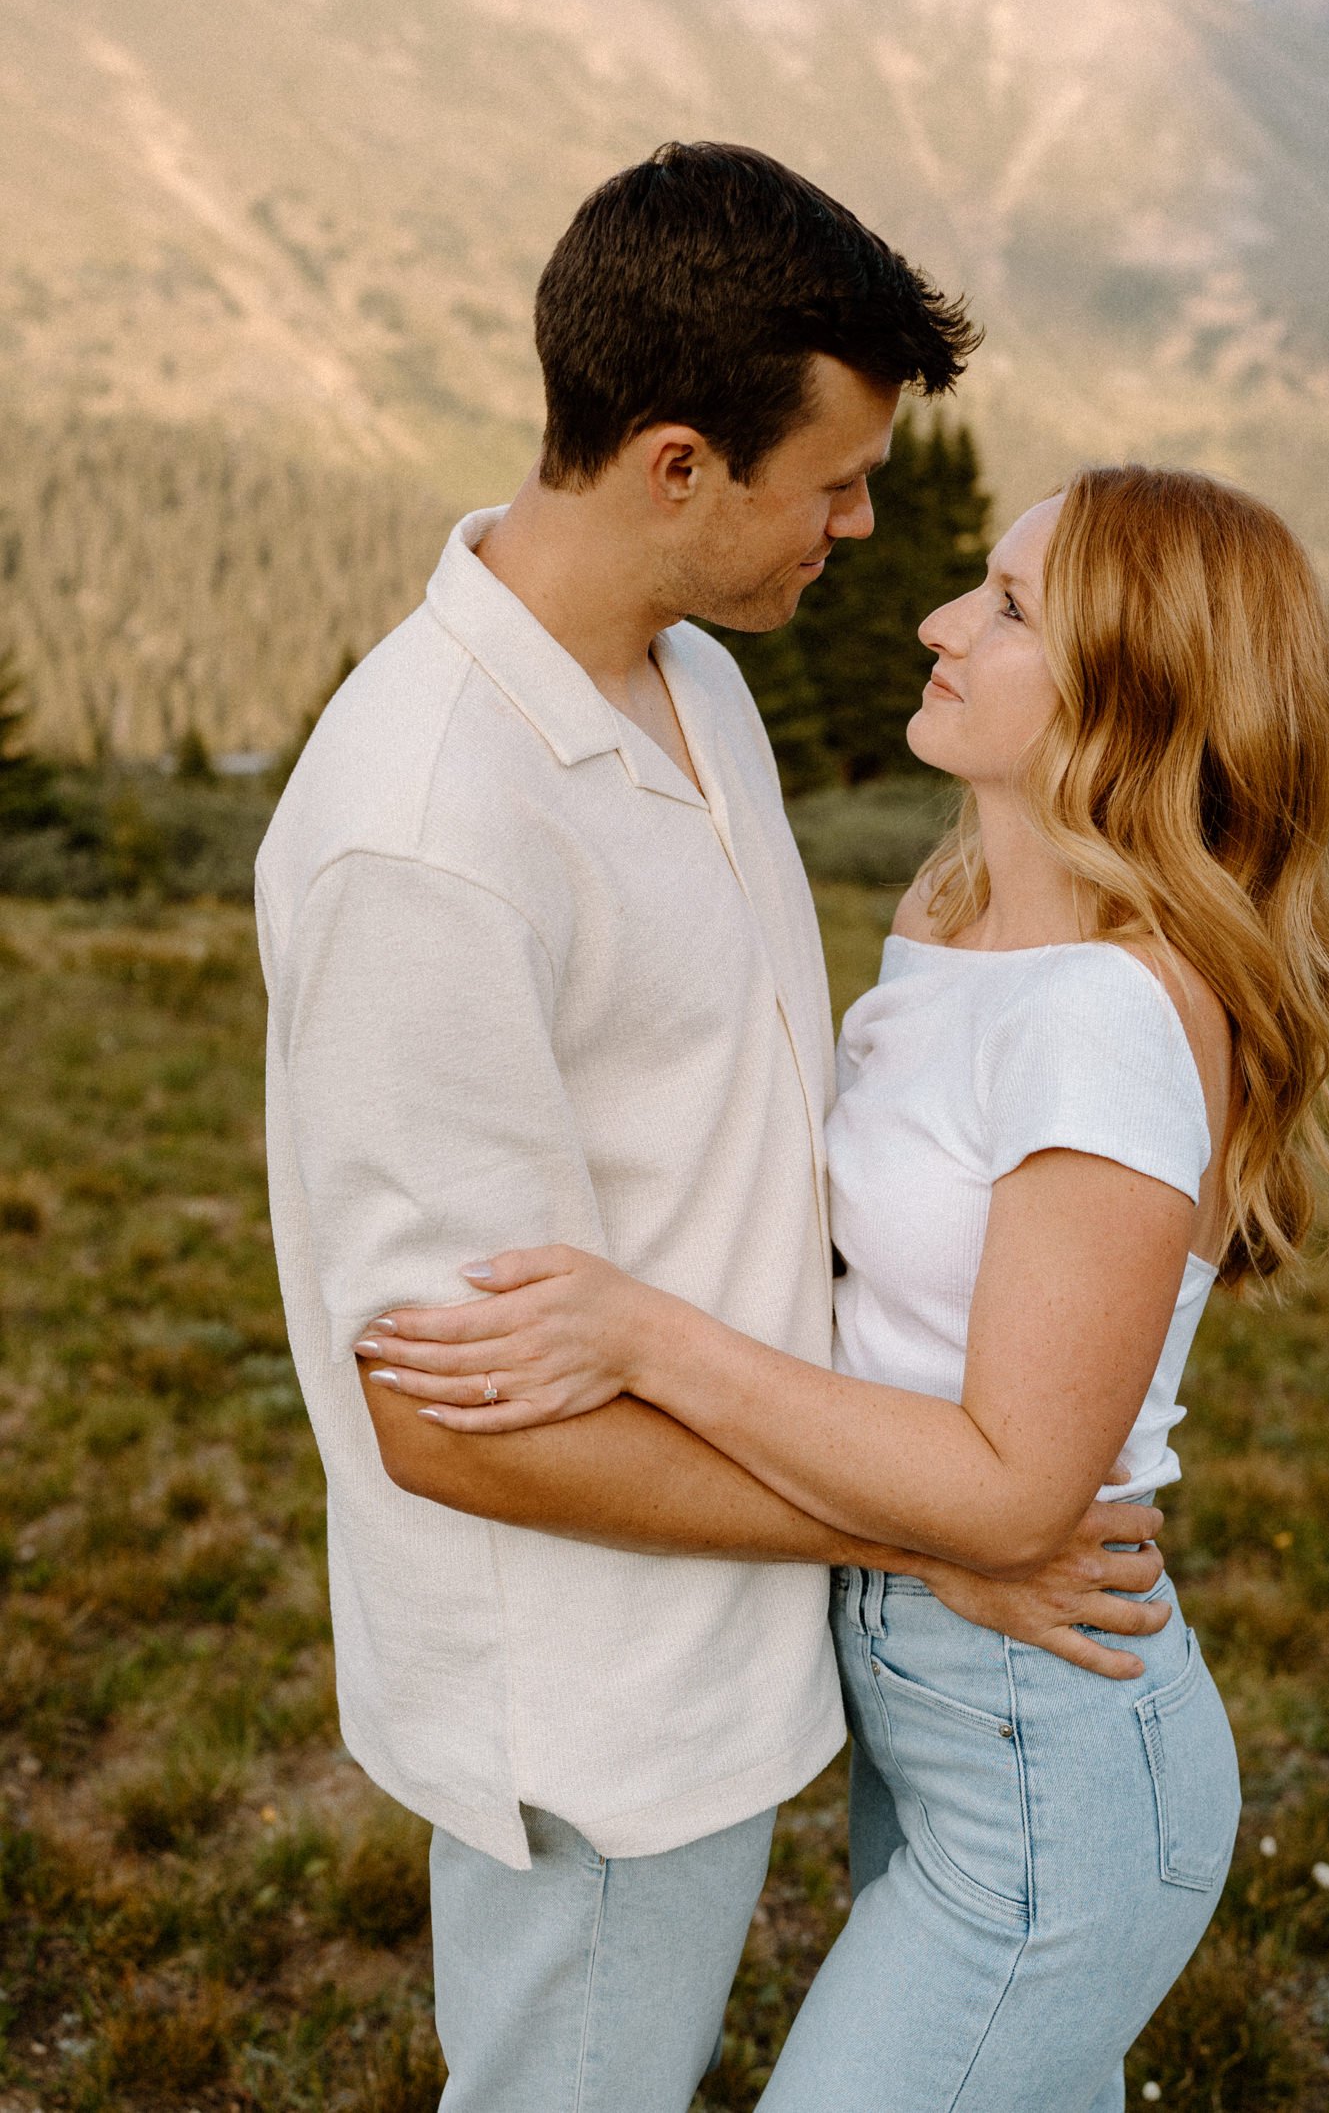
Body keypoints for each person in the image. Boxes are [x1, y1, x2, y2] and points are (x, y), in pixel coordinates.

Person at [257, 144, 1190, 2113]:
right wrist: (937, 1533)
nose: (866, 524)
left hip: (744, 1612)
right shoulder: (424, 835)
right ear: (677, 464)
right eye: (833, 480)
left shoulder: (689, 673)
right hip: (598, 1689)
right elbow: (443, 1415)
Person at [361, 463, 1329, 2111]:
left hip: (1046, 1759)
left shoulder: (1108, 1017)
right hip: (936, 1715)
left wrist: (644, 1336)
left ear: (1134, 692)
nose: (940, 622)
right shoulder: (951, 918)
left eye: (1012, 609)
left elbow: (1016, 1491)